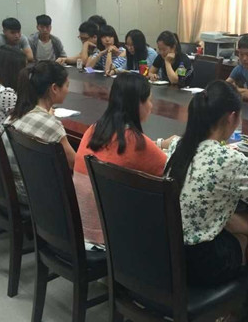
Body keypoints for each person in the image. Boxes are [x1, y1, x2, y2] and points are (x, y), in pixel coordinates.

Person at [164, 80, 248, 310]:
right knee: (244, 235)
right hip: (201, 265)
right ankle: (229, 308)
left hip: (168, 252)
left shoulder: (178, 146)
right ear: (231, 117)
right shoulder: (230, 160)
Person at [73, 72, 176, 246]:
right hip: (109, 238)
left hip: (80, 228)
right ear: (138, 104)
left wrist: (159, 143)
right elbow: (171, 171)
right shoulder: (136, 142)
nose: (151, 106)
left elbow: (130, 149)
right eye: (149, 100)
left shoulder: (95, 129)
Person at [3, 61, 74, 204]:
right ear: (54, 88)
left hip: (11, 187)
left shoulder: (15, 114)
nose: (68, 90)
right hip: (34, 195)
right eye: (67, 85)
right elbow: (75, 164)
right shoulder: (50, 125)